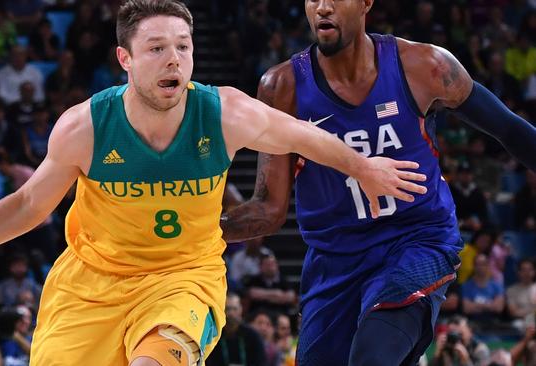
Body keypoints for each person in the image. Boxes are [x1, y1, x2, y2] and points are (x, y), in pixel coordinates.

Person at [0, 1, 426, 365]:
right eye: (156, 48)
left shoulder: (224, 112)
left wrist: (364, 167)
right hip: (91, 284)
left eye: (183, 46)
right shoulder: (85, 127)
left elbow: (303, 137)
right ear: (126, 59)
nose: (174, 58)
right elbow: (27, 205)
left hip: (184, 278)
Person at [220, 1, 536, 365]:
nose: (322, 7)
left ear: (366, 3)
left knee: (372, 356)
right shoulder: (282, 86)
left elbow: (508, 128)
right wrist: (204, 229)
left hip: (416, 240)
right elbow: (270, 209)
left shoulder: (425, 66)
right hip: (335, 259)